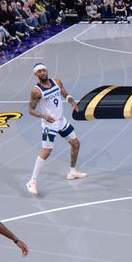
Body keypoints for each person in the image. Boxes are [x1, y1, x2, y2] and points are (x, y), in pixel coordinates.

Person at [26, 63, 86, 196]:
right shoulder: (36, 91)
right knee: (46, 152)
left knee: (76, 144)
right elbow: (30, 110)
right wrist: (43, 116)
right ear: (36, 74)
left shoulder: (56, 82)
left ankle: (72, 172)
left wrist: (71, 100)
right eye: (39, 71)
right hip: (49, 124)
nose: (42, 72)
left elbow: (65, 93)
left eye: (44, 70)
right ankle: (32, 181)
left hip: (61, 121)